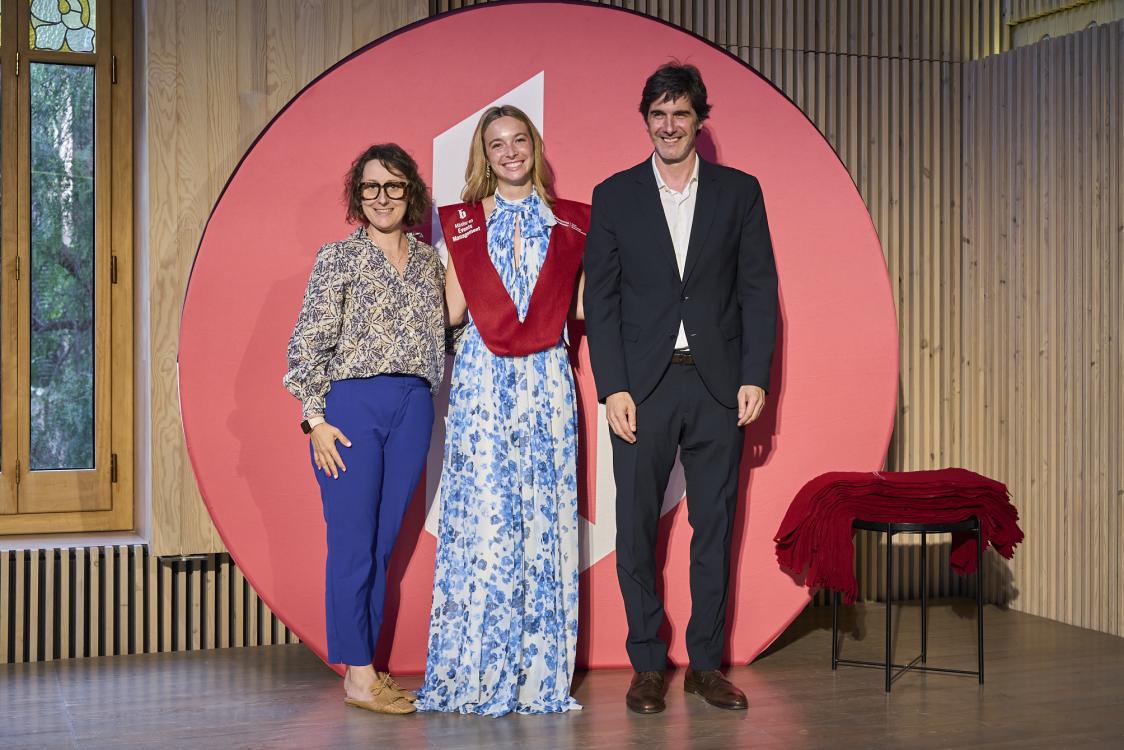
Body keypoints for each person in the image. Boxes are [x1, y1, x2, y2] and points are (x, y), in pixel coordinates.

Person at [583, 62, 779, 714]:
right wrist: (613, 386)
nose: (669, 125)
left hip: (718, 387)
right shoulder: (614, 195)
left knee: (714, 530)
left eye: (681, 113)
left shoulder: (739, 192)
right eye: (659, 114)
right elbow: (601, 300)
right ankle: (647, 664)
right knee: (635, 527)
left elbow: (759, 290)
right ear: (646, 120)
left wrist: (754, 376)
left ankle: (705, 665)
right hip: (643, 388)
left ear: (699, 120)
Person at [416, 104, 587, 717]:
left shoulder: (571, 223)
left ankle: (537, 675)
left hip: (545, 381)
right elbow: (453, 312)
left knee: (542, 515)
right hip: (484, 383)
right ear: (484, 157)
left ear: (534, 147)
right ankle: (479, 669)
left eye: (519, 140)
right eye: (497, 144)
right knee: (486, 521)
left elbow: (581, 307)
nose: (510, 152)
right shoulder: (464, 225)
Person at [283, 144, 444, 715]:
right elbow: (307, 344)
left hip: (414, 406)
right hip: (351, 408)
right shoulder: (338, 258)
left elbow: (450, 330)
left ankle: (367, 668)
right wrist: (315, 421)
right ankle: (357, 674)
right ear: (358, 195)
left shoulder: (430, 262)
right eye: (371, 187)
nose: (382, 197)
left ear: (410, 193)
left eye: (393, 186)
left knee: (381, 545)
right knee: (353, 544)